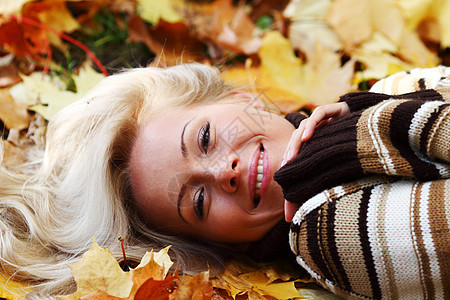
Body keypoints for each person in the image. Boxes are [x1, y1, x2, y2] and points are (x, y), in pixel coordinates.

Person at [0, 63, 448, 299]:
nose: (223, 172)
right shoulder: (332, 236)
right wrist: (338, 148)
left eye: (206, 137)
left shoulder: (373, 100)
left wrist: (363, 114)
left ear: (243, 98)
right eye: (197, 201)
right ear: (222, 244)